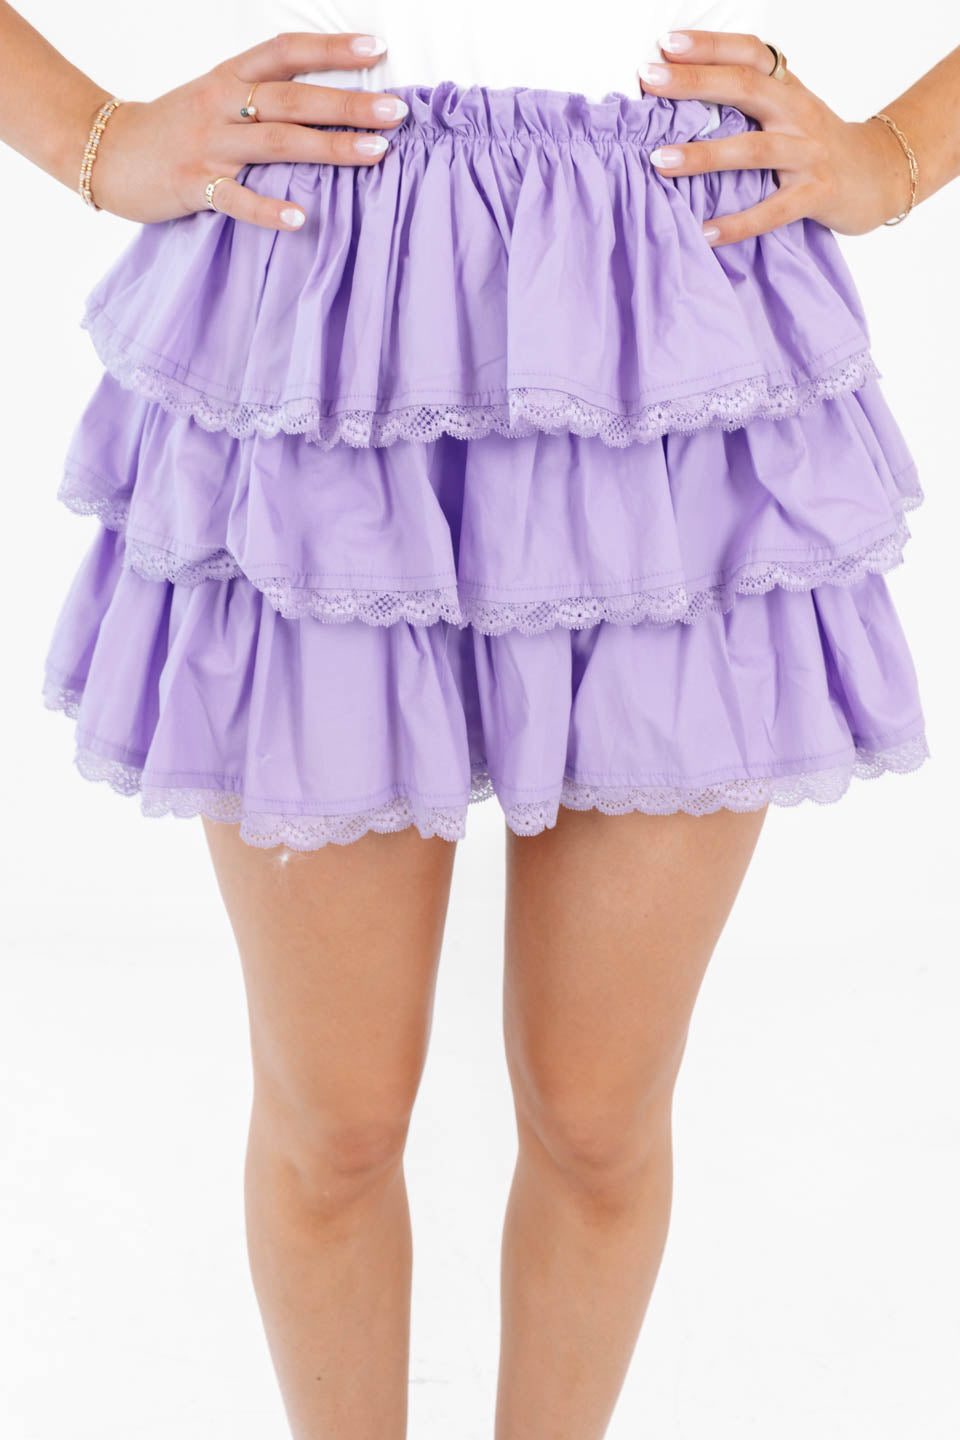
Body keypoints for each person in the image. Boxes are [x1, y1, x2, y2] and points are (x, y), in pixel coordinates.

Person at [4, 1, 958, 1435]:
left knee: (598, 1119)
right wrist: (93, 136)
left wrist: (898, 152)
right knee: (335, 1124)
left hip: (672, 319)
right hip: (322, 302)